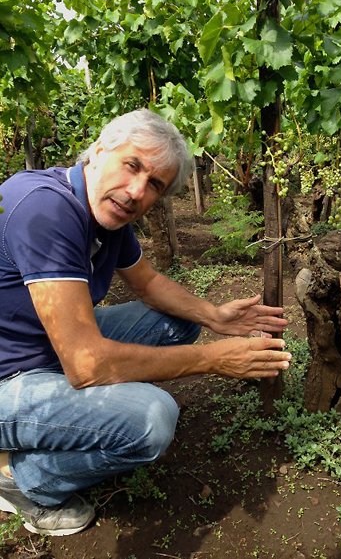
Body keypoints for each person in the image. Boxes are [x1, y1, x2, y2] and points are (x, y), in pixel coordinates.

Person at [0, 109, 293, 536]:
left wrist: (215, 317)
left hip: (44, 350)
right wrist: (213, 359)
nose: (137, 191)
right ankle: (20, 482)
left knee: (175, 323)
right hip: (9, 376)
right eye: (132, 165)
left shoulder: (104, 210)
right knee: (150, 420)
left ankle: (65, 425)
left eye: (154, 184)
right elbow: (85, 364)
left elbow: (149, 283)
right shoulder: (45, 208)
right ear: (99, 151)